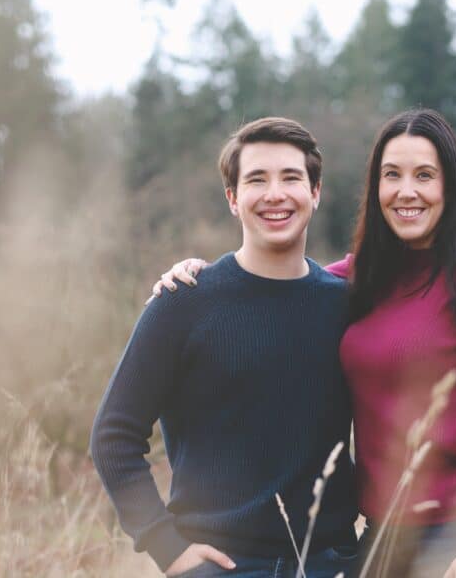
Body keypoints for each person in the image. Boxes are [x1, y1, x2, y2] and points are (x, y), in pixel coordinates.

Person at [151, 109, 456, 577]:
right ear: (375, 187)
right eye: (392, 175)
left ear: (452, 185)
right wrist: (205, 279)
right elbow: (285, 287)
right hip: (390, 533)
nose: (406, 191)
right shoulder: (363, 277)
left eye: (425, 175)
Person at [91, 117, 358, 578]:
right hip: (220, 565)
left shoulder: (348, 306)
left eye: (291, 178)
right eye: (256, 179)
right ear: (233, 199)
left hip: (329, 562)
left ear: (315, 193)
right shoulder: (185, 301)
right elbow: (113, 436)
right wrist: (168, 549)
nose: (275, 193)